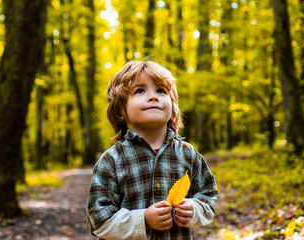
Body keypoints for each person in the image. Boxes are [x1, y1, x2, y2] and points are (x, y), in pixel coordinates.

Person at [86, 61, 218, 240]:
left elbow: (208, 198)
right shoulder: (112, 160)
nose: (153, 97)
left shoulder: (188, 154)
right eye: (140, 90)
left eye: (161, 91)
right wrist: (143, 220)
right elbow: (99, 222)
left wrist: (194, 209)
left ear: (172, 108)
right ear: (120, 110)